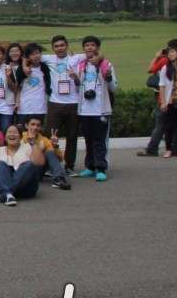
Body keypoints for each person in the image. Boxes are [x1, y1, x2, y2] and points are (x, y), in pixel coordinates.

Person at [74, 35, 117, 181]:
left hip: (101, 109)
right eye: (86, 45)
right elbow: (78, 89)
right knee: (88, 140)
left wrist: (108, 77)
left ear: (97, 48)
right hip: (85, 110)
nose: (89, 48)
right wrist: (75, 79)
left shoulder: (106, 64)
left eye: (92, 45)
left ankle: (101, 168)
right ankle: (90, 167)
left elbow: (113, 88)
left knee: (100, 140)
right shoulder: (81, 65)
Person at [44, 34, 83, 173]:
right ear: (52, 48)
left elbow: (96, 53)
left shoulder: (76, 58)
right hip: (55, 103)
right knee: (50, 136)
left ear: (67, 45)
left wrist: (76, 77)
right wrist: (25, 65)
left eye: (62, 45)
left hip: (73, 103)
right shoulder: (48, 59)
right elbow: (29, 55)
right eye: (56, 46)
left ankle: (69, 166)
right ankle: (50, 166)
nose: (59, 48)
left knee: (72, 137)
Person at [0, 124, 46, 206]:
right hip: (3, 182)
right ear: (5, 137)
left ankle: (4, 193)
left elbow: (40, 163)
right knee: (0, 164)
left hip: (26, 188)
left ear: (20, 137)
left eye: (15, 132)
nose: (12, 134)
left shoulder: (28, 147)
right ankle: (8, 194)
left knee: (29, 164)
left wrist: (33, 143)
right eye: (9, 132)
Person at [21, 116, 71, 189]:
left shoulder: (44, 140)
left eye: (38, 125)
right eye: (33, 124)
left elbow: (60, 159)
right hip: (23, 172)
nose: (35, 127)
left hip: (38, 171)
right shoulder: (20, 138)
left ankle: (59, 179)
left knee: (49, 152)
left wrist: (55, 146)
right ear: (26, 126)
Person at [157, 41, 177, 158]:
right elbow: (162, 86)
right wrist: (163, 102)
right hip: (171, 101)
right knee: (169, 127)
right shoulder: (166, 68)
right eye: (169, 52)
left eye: (172, 51)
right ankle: (168, 149)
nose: (170, 54)